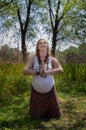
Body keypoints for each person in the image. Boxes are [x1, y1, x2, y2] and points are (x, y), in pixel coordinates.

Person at [23, 38, 63, 121]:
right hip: (36, 89)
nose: (42, 44)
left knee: (56, 115)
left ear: (47, 46)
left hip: (50, 88)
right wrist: (38, 72)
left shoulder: (52, 59)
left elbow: (60, 70)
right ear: (37, 47)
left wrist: (46, 72)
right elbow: (25, 71)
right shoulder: (33, 58)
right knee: (34, 116)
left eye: (45, 43)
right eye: (40, 43)